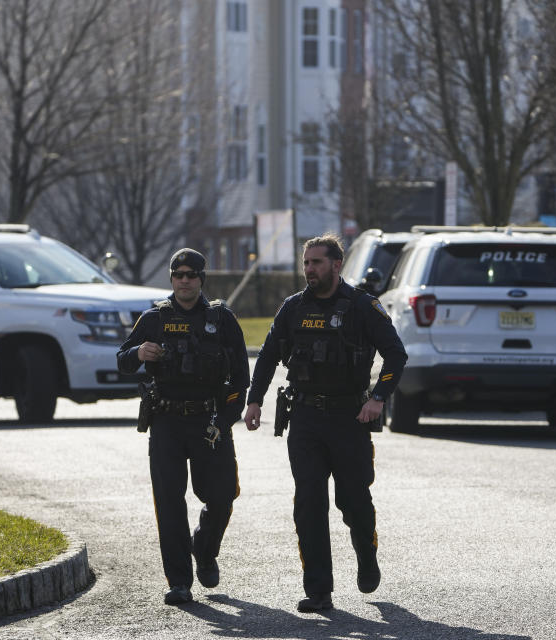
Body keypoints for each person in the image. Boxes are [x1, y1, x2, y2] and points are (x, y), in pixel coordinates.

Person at [243, 233, 408, 613]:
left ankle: (366, 556)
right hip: (305, 419)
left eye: (316, 262)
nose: (309, 269)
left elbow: (396, 356)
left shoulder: (362, 306)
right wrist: (254, 401)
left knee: (353, 501)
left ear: (336, 265)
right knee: (309, 503)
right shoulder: (292, 308)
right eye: (305, 263)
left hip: (349, 418)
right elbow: (267, 357)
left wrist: (378, 398)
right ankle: (319, 590)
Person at [117, 248, 249, 606]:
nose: (185, 280)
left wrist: (225, 420)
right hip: (167, 422)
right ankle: (179, 582)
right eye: (179, 274)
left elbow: (240, 378)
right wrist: (138, 353)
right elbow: (123, 361)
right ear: (172, 278)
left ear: (201, 279)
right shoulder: (154, 318)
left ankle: (204, 550)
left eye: (191, 274)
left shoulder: (221, 319)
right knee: (170, 503)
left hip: (209, 421)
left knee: (221, 498)